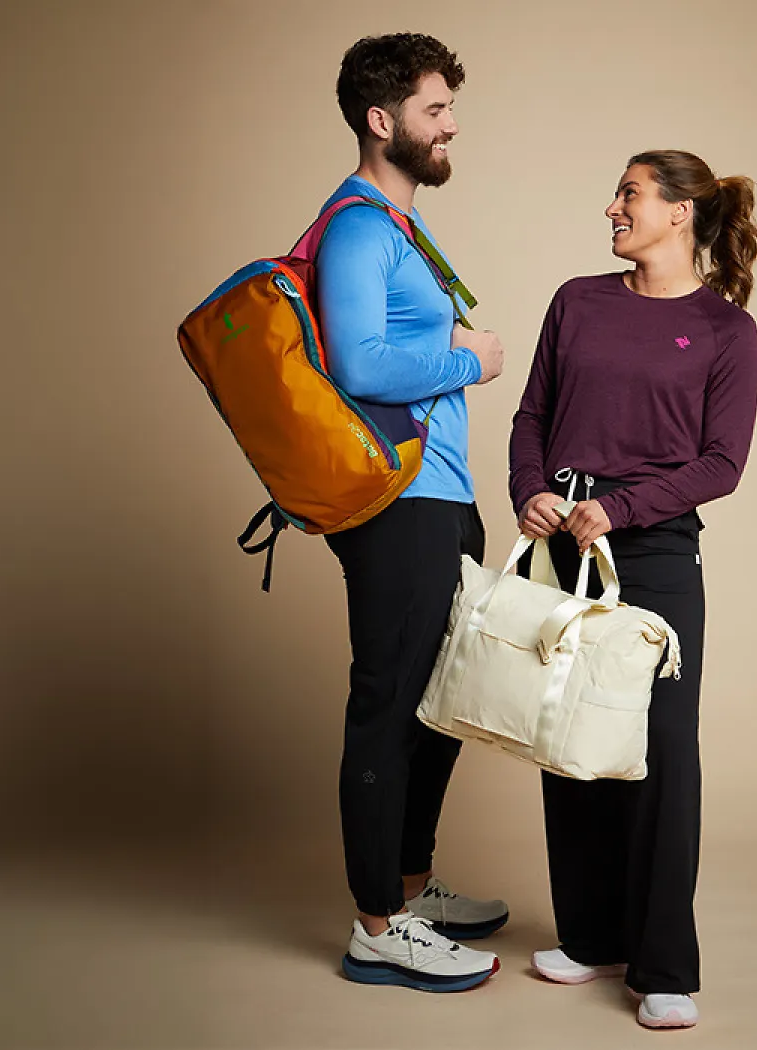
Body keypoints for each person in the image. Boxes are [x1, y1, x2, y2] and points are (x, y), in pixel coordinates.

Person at [508, 150, 757, 1030]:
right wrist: (530, 490)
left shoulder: (727, 331)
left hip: (652, 550)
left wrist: (618, 510)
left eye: (629, 193)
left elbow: (721, 464)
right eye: (618, 192)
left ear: (681, 213)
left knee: (658, 751)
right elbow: (532, 414)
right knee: (567, 730)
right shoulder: (577, 301)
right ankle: (588, 937)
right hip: (562, 542)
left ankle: (663, 966)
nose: (612, 206)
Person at [314, 32, 511, 992]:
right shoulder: (355, 226)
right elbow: (357, 365)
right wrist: (470, 359)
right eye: (436, 110)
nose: (451, 126)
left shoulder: (398, 229)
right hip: (395, 505)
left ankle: (411, 882)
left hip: (443, 498)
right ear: (381, 121)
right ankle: (375, 924)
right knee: (389, 707)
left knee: (437, 708)